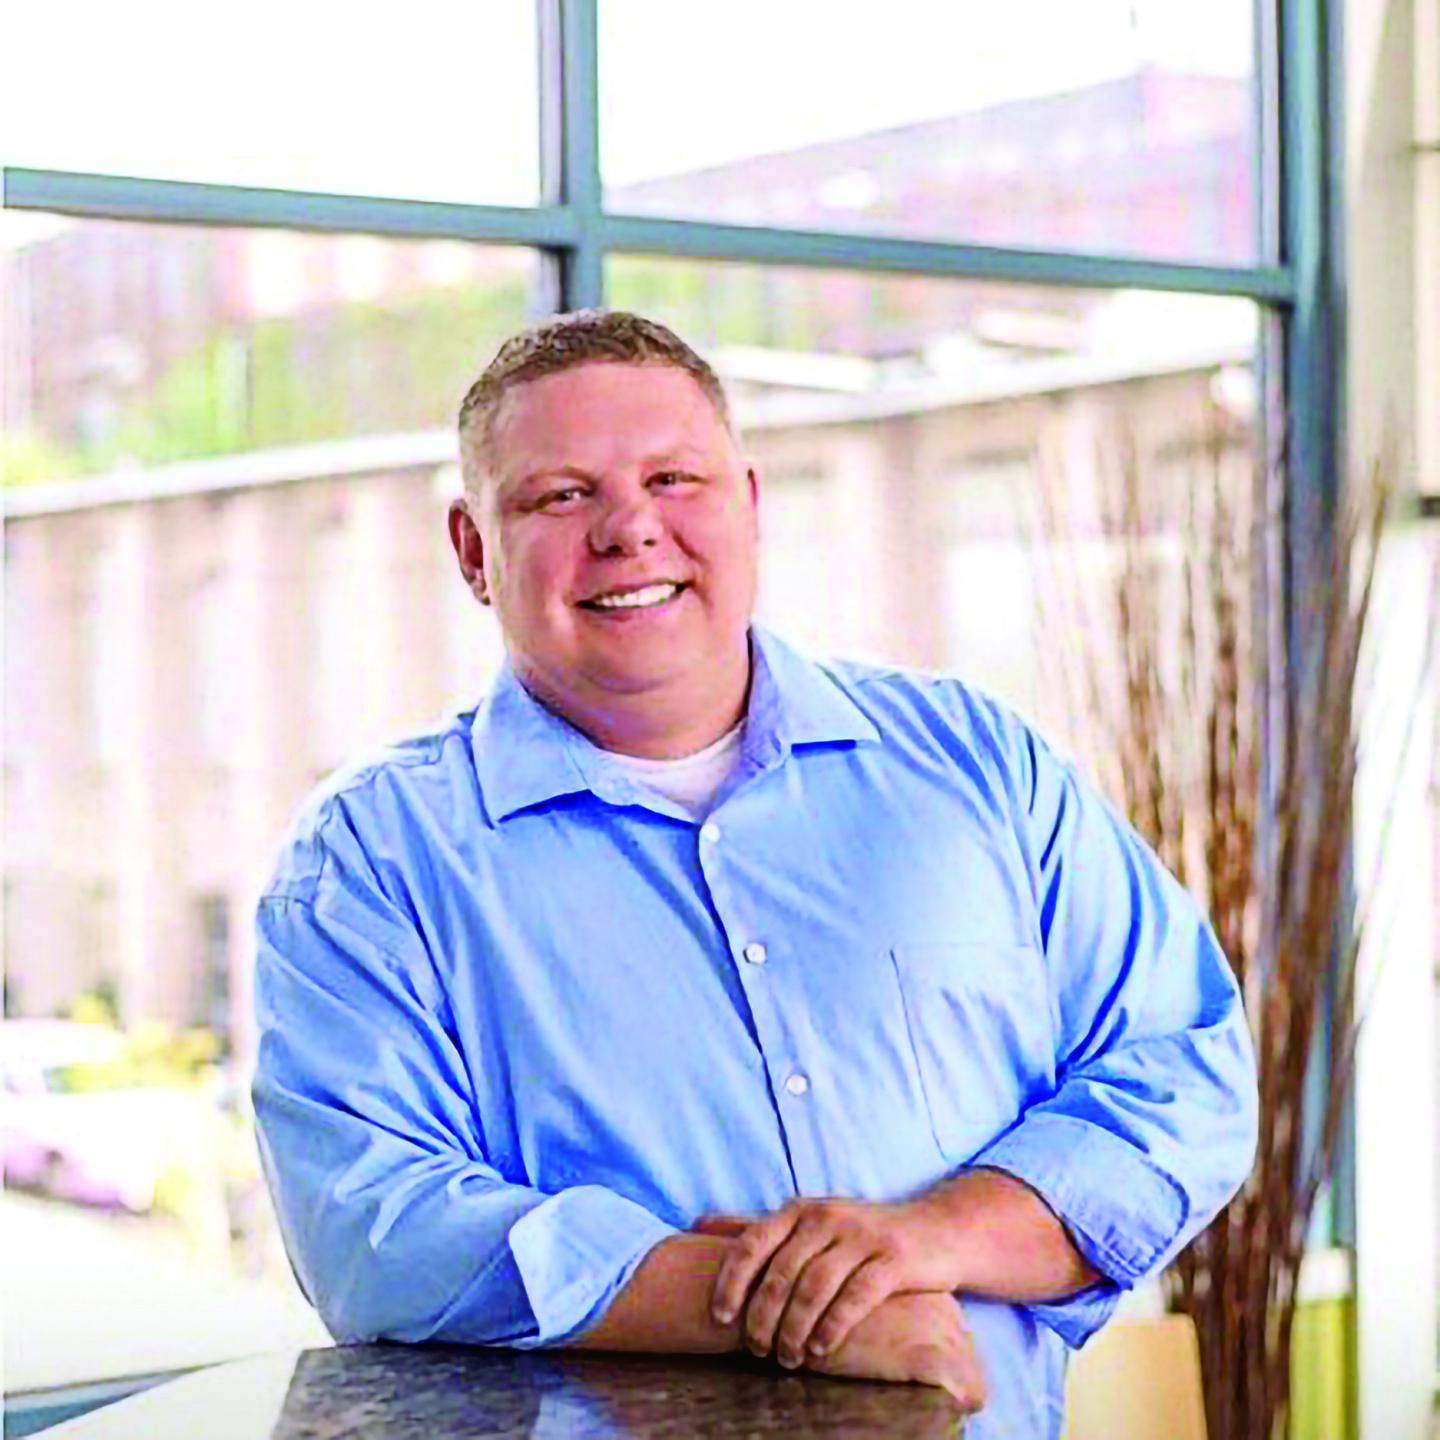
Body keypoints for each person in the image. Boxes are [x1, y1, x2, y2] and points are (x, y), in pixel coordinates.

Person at [252, 309, 1258, 1438]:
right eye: (561, 495)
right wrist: (782, 1311)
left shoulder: (978, 764)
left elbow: (1184, 1070)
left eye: (676, 478)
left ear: (752, 505)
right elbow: (372, 1220)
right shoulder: (370, 861)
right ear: (474, 551)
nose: (631, 529)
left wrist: (931, 1237)